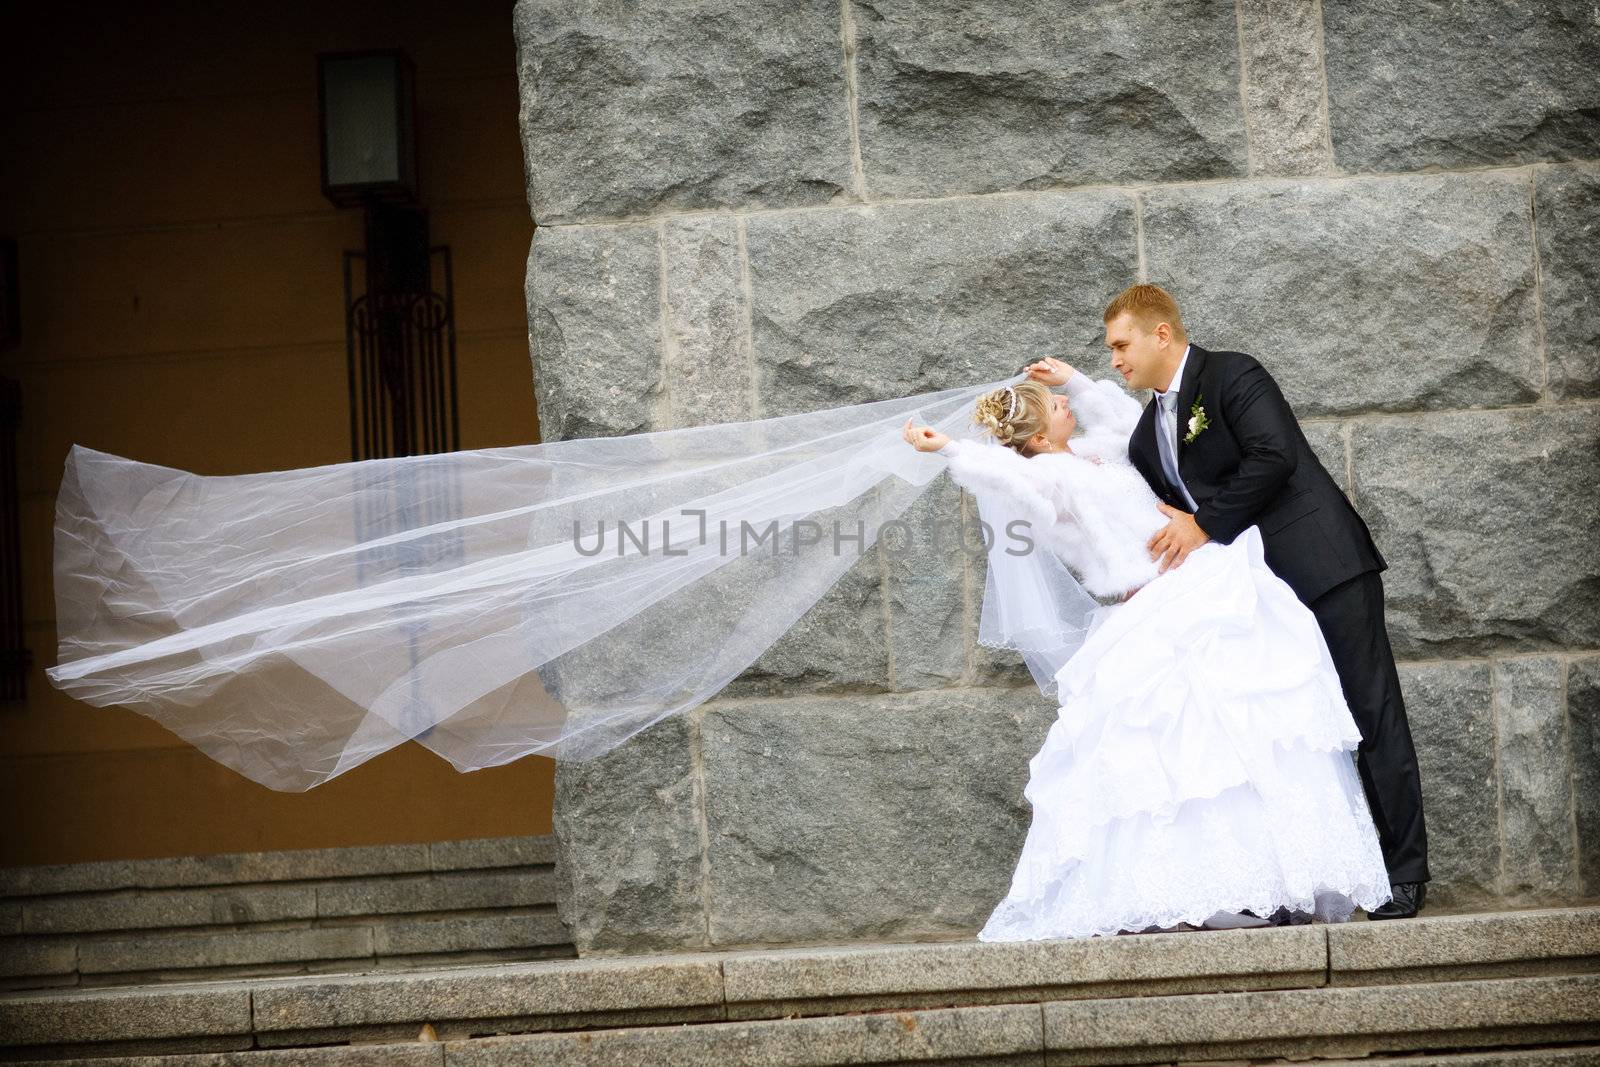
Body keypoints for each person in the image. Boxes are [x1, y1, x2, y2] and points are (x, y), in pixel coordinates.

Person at [902, 357, 1393, 938]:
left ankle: (1266, 879)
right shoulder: (1052, 482)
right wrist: (952, 450)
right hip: (1148, 609)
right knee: (1176, 753)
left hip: (1194, 585)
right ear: (1037, 438)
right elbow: (1011, 479)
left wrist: (1078, 386)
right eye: (1054, 409)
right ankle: (1192, 888)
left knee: (1238, 735)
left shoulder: (1095, 454)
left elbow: (1124, 422)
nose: (1065, 409)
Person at [1104, 283, 1429, 921]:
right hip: (1257, 602)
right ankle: (1316, 879)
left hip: (1321, 567)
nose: (1114, 360)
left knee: (1369, 712)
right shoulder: (1147, 436)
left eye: (1122, 344)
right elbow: (1156, 508)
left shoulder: (1232, 374)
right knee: (1299, 738)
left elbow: (1274, 456)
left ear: (1161, 333)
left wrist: (1203, 524)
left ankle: (1404, 875)